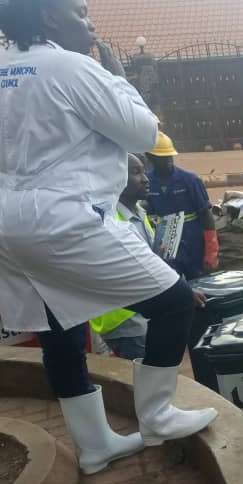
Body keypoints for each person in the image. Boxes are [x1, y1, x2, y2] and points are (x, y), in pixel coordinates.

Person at [0, 0, 216, 476]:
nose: (90, 22)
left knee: (58, 325)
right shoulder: (70, 67)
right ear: (47, 17)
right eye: (79, 12)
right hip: (61, 217)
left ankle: (96, 443)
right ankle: (158, 414)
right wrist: (119, 77)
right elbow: (144, 132)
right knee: (171, 304)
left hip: (2, 215)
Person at [90, 153, 155, 360]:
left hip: (142, 313)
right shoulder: (109, 221)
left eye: (144, 171)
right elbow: (138, 268)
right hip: (125, 319)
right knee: (146, 383)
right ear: (115, 178)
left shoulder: (138, 213)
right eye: (136, 172)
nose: (145, 179)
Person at [145, 132, 219, 280]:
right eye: (162, 158)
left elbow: (206, 215)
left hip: (193, 239)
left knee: (200, 281)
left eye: (169, 157)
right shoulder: (147, 182)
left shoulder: (189, 180)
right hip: (165, 240)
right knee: (171, 281)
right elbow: (149, 210)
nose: (168, 162)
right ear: (150, 158)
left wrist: (211, 251)